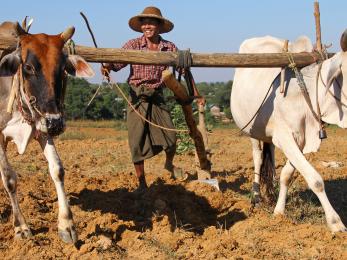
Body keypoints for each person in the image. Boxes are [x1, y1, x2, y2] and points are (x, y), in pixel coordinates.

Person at [101, 6, 186, 192]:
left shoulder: (169, 47)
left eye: (151, 22)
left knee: (171, 138)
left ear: (159, 26)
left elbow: (181, 67)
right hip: (137, 96)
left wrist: (184, 63)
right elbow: (117, 63)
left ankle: (168, 164)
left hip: (157, 96)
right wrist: (107, 65)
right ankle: (142, 183)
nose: (147, 26)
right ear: (141, 27)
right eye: (144, 23)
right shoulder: (132, 45)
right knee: (136, 141)